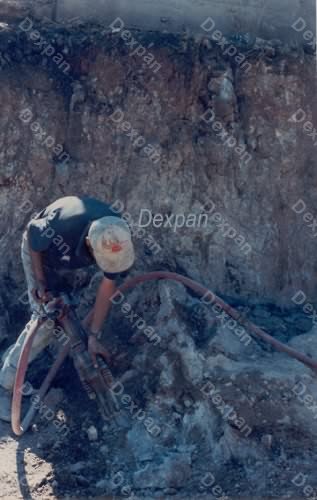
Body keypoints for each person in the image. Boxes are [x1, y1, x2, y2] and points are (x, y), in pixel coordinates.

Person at [0, 195, 135, 422]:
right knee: (46, 322)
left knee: (68, 313)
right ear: (91, 244)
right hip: (40, 253)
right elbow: (34, 233)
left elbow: (108, 285)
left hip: (67, 258)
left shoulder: (115, 233)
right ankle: (5, 385)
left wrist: (93, 336)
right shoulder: (65, 227)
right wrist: (41, 282)